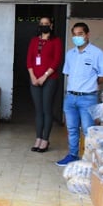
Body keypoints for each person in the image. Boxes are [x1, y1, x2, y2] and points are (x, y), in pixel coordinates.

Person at [56, 22, 103, 166]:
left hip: (88, 98)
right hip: (70, 97)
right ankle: (72, 155)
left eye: (80, 34)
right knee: (72, 129)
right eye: (74, 35)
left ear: (87, 35)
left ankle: (89, 159)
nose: (77, 37)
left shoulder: (97, 53)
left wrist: (92, 83)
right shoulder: (70, 54)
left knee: (88, 130)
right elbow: (68, 73)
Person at [26, 16, 62, 153]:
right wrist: (33, 76)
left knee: (47, 109)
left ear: (51, 26)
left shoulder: (56, 41)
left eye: (46, 24)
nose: (44, 26)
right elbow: (29, 60)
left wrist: (44, 76)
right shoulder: (34, 41)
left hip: (50, 79)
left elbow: (56, 60)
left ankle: (45, 139)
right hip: (34, 79)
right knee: (38, 110)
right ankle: (38, 138)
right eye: (41, 24)